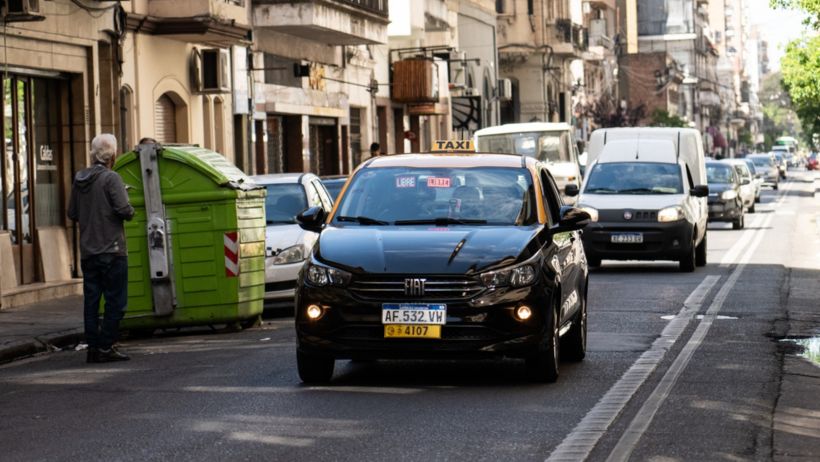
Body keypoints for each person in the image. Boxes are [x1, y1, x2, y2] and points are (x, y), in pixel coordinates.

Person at [68, 134, 135, 363]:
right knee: (116, 301)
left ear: (93, 153)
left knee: (91, 302)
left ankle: (93, 349)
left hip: (88, 251)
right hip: (112, 250)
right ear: (113, 155)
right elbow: (125, 211)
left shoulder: (79, 180)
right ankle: (106, 346)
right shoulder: (111, 178)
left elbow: (72, 213)